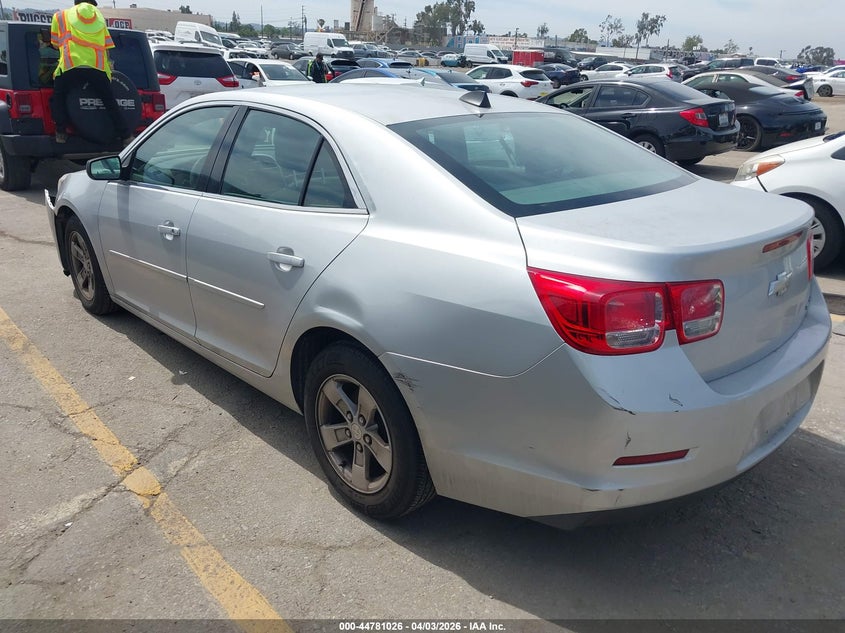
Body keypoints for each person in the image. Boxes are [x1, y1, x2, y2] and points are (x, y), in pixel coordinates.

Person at [50, 0, 131, 144]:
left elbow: (55, 44)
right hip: (96, 67)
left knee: (59, 95)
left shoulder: (60, 16)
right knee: (109, 101)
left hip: (70, 64)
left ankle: (61, 132)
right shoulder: (98, 18)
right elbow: (106, 46)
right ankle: (125, 135)